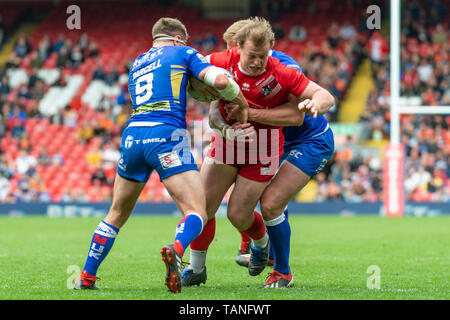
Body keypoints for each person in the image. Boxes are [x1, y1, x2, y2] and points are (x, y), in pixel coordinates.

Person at [73, 17, 249, 293]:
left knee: (116, 213)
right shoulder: (184, 52)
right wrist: (239, 100)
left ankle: (86, 275)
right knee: (197, 211)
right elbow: (219, 79)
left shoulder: (138, 63)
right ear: (178, 37)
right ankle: (176, 249)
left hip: (133, 136)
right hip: (167, 136)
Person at [181, 17, 334, 288]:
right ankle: (203, 265)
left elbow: (300, 114)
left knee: (270, 203)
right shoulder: (223, 60)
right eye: (237, 52)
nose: (242, 62)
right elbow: (191, 71)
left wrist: (247, 111)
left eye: (259, 56)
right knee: (206, 204)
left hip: (305, 139)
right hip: (251, 139)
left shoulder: (284, 69)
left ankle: (280, 270)